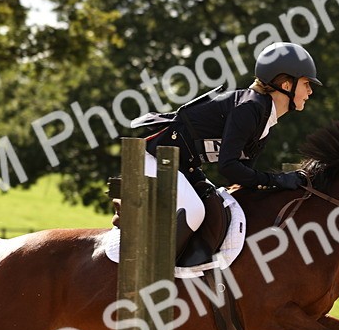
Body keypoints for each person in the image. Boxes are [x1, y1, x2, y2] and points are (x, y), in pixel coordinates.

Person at [133, 42, 322, 262]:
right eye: (307, 83)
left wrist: (277, 183)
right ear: (287, 84)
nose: (310, 91)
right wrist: (278, 180)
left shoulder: (265, 118)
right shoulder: (249, 109)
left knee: (216, 207)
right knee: (195, 212)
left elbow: (245, 175)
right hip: (156, 157)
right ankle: (151, 271)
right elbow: (229, 167)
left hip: (183, 165)